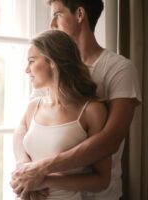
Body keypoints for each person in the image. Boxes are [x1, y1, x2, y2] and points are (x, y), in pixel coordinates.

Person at [11, 0, 142, 199]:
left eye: (57, 15)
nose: (51, 25)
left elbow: (110, 140)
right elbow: (24, 127)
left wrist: (42, 171)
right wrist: (25, 171)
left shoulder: (119, 69)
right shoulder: (50, 74)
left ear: (79, 14)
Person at [12, 29, 111, 200]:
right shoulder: (34, 106)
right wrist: (23, 169)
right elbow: (19, 135)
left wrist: (45, 180)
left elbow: (102, 180)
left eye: (31, 61)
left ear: (52, 62)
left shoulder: (91, 111)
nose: (26, 70)